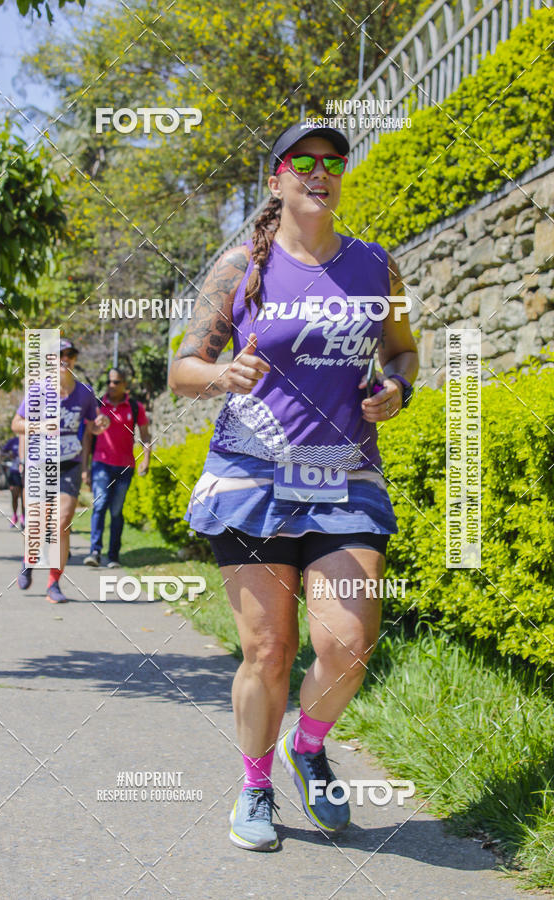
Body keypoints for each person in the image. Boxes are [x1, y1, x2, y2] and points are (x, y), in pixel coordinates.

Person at [169, 121, 418, 851]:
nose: (321, 171)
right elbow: (184, 369)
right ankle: (254, 786)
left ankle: (305, 745)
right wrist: (223, 374)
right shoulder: (240, 264)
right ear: (276, 178)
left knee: (349, 641)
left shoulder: (378, 267)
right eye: (302, 161)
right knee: (269, 651)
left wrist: (398, 388)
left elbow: (403, 350)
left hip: (345, 473)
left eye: (333, 162)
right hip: (252, 475)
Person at [12, 338, 110, 603]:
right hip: (39, 463)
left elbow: (93, 425)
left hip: (69, 462)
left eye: (70, 354)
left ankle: (54, 584)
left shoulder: (84, 392)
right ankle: (29, 559)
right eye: (59, 354)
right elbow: (16, 424)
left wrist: (102, 422)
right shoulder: (37, 391)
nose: (65, 359)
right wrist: (41, 427)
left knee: (62, 522)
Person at [83, 368, 150, 568]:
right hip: (100, 463)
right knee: (100, 504)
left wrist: (146, 459)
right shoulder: (97, 406)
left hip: (125, 467)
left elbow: (145, 435)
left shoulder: (135, 407)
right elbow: (88, 435)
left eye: (117, 382)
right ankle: (95, 552)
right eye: (110, 382)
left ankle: (113, 556)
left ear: (125, 385)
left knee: (116, 511)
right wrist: (85, 468)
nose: (112, 385)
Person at [2, 435, 25, 528]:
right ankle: (15, 515)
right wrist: (10, 455)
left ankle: (24, 516)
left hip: (28, 471)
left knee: (24, 496)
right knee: (15, 496)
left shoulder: (33, 439)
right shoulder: (14, 441)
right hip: (15, 471)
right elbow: (2, 453)